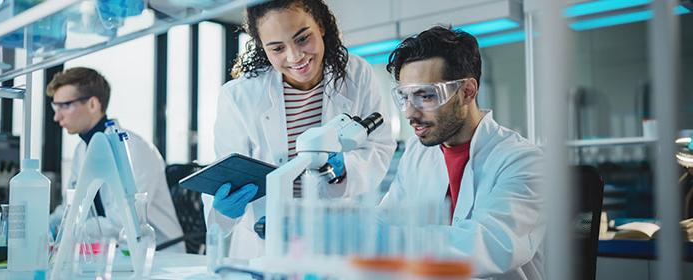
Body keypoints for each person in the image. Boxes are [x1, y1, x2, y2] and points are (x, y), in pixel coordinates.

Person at [202, 0, 396, 260]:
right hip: (263, 244)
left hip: (334, 237)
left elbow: (379, 147)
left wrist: (344, 169)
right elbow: (227, 170)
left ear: (321, 26)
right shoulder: (239, 96)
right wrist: (225, 209)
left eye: (303, 39)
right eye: (277, 48)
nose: (295, 57)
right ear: (262, 47)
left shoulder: (357, 74)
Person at [380, 26, 545, 279]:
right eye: (405, 97)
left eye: (425, 96)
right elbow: (386, 219)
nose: (410, 113)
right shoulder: (417, 153)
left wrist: (389, 240)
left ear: (467, 91)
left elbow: (491, 244)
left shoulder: (522, 160)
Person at [47, 67, 185, 252]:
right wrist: (47, 227)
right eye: (55, 107)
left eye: (65, 105)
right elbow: (71, 208)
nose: (57, 116)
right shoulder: (82, 150)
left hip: (159, 255)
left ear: (93, 105)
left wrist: (68, 230)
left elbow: (123, 222)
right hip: (113, 252)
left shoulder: (132, 148)